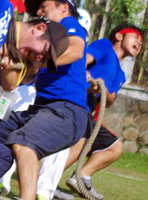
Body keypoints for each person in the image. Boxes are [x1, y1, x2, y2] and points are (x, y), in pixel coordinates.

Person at [0, 0, 88, 200]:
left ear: (63, 8)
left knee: (24, 144)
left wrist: (37, 64)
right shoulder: (31, 46)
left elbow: (76, 50)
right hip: (40, 109)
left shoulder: (68, 23)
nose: (39, 12)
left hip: (67, 109)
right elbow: (14, 84)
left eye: (44, 6)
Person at [40, 24, 143, 200]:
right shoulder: (105, 46)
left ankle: (81, 177)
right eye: (135, 37)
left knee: (114, 147)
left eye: (141, 42)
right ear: (119, 36)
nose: (139, 43)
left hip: (90, 114)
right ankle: (45, 184)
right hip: (75, 102)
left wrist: (102, 89)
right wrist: (87, 78)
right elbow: (82, 61)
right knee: (80, 142)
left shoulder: (121, 73)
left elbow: (109, 101)